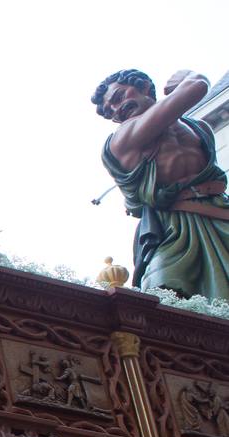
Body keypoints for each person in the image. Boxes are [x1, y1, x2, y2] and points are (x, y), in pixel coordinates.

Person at [94, 68, 229, 300]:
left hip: (221, 214)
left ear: (144, 86)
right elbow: (197, 85)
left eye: (119, 97)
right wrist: (186, 75)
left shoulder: (200, 128)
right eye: (110, 111)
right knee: (167, 294)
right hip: (176, 230)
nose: (116, 110)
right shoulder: (124, 138)